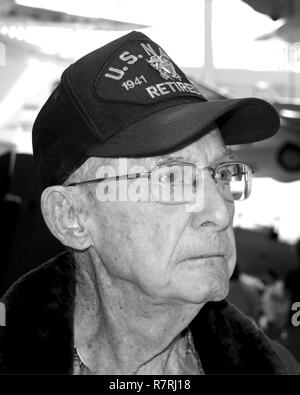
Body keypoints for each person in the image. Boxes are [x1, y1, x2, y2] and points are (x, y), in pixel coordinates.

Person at [0, 31, 299, 375]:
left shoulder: (277, 367)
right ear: (72, 217)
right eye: (171, 179)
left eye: (220, 173)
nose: (220, 211)